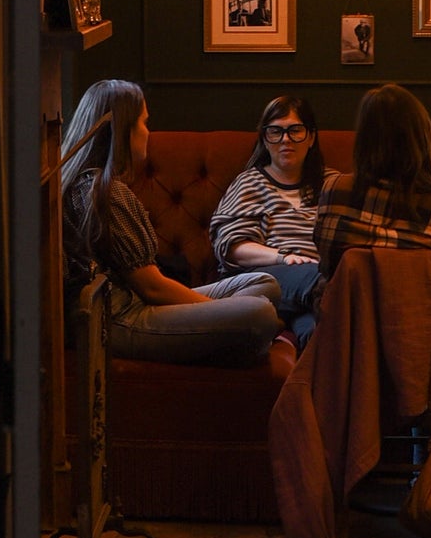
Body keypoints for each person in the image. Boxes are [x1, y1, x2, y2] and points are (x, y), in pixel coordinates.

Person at [61, 79, 283, 364]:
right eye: (143, 122)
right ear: (123, 131)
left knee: (265, 283)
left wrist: (215, 311)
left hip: (134, 299)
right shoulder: (105, 193)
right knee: (259, 314)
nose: (147, 132)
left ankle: (231, 336)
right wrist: (217, 310)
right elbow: (151, 288)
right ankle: (236, 337)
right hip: (121, 317)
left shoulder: (87, 183)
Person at [208, 95, 337, 348]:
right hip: (265, 277)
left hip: (315, 287)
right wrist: (283, 257)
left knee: (317, 330)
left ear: (311, 137)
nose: (285, 139)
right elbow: (233, 248)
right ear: (265, 140)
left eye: (295, 131)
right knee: (322, 282)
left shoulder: (333, 185)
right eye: (275, 132)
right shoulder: (249, 183)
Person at [314, 82, 431, 277]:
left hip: (347, 307)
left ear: (362, 141)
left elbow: (327, 266)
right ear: (422, 141)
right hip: (422, 307)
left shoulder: (335, 190)